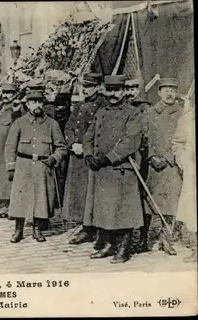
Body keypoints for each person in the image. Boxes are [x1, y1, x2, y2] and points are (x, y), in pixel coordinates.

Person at [82, 74, 144, 263]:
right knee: (104, 210)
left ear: (124, 91)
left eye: (117, 90)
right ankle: (109, 245)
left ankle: (123, 249)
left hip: (121, 168)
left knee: (122, 210)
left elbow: (130, 141)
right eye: (110, 90)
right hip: (102, 170)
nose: (113, 94)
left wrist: (108, 159)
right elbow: (88, 136)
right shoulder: (101, 112)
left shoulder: (133, 113)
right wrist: (88, 155)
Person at [5, 86, 67, 243]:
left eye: (40, 102)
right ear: (27, 104)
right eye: (33, 102)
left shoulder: (52, 124)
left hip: (42, 166)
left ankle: (37, 230)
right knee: (19, 199)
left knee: (41, 199)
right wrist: (11, 167)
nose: (37, 105)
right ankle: (18, 230)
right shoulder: (19, 123)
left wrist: (54, 159)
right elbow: (10, 147)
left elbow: (62, 147)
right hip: (23, 165)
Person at [139, 78, 184, 255]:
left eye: (173, 89)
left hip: (172, 166)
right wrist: (150, 157)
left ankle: (166, 240)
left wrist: (167, 158)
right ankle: (143, 239)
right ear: (159, 92)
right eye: (165, 89)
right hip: (152, 165)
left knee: (171, 203)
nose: (169, 93)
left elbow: (184, 140)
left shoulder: (181, 113)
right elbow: (144, 138)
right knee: (148, 203)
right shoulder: (149, 113)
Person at [63, 73, 104, 245]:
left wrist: (84, 148)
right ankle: (85, 227)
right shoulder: (79, 105)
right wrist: (72, 143)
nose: (84, 90)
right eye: (83, 86)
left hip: (92, 155)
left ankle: (95, 228)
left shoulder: (102, 105)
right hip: (77, 155)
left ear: (97, 87)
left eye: (88, 87)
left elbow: (99, 131)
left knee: (92, 192)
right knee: (80, 193)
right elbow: (69, 126)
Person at [0, 83, 24, 219]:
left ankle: (14, 209)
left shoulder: (17, 108)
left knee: (11, 179)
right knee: (3, 180)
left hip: (10, 150)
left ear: (16, 93)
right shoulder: (3, 109)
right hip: (0, 150)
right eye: (4, 92)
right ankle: (7, 206)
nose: (6, 95)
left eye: (9, 93)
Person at [172, 100, 197, 263]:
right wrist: (184, 159)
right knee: (193, 209)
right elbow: (177, 142)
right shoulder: (188, 118)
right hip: (193, 170)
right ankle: (196, 249)